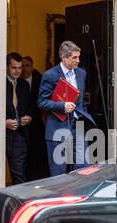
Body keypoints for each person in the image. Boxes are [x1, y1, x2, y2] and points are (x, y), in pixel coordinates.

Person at [38, 40, 96, 176]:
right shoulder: (50, 75)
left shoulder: (81, 73)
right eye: (74, 57)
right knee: (58, 173)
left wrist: (84, 118)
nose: (78, 60)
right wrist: (62, 106)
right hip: (58, 127)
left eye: (78, 57)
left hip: (78, 126)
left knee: (84, 168)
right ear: (63, 58)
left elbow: (81, 101)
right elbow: (42, 102)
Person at [21, 56, 49, 181]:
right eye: (23, 66)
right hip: (20, 126)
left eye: (27, 65)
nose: (24, 69)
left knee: (37, 156)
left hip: (37, 126)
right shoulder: (15, 83)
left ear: (32, 67)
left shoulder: (40, 82)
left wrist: (32, 116)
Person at [6, 52, 32, 184]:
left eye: (20, 68)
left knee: (19, 175)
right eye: (14, 68)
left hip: (19, 135)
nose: (17, 71)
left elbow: (30, 108)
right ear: (6, 67)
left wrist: (28, 118)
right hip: (0, 135)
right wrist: (3, 122)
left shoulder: (24, 85)